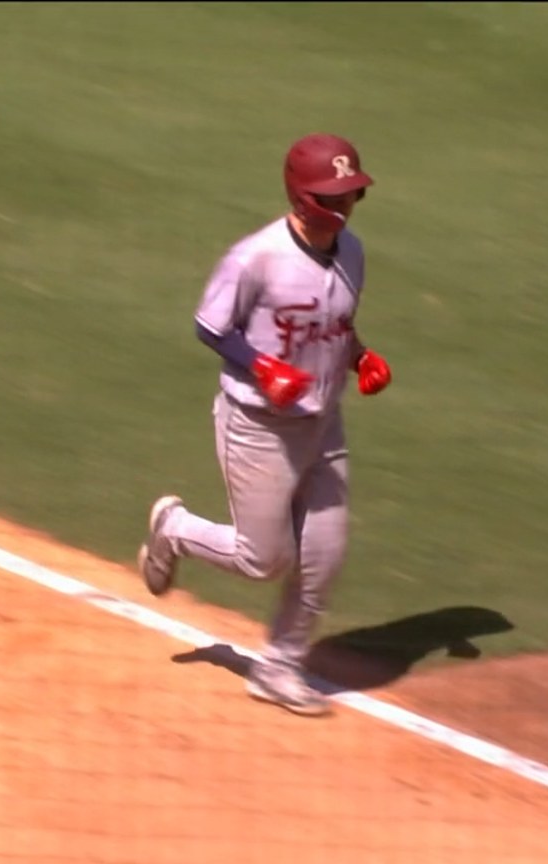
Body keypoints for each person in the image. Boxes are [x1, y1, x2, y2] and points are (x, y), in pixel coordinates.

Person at [136, 133, 392, 718]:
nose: (346, 203)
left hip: (323, 424)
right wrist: (261, 366)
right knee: (263, 559)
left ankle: (279, 667)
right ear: (303, 198)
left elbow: (334, 325)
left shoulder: (351, 253)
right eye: (335, 193)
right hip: (258, 425)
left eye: (351, 192)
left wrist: (360, 357)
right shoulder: (256, 257)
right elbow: (210, 325)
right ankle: (174, 528)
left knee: (324, 552)